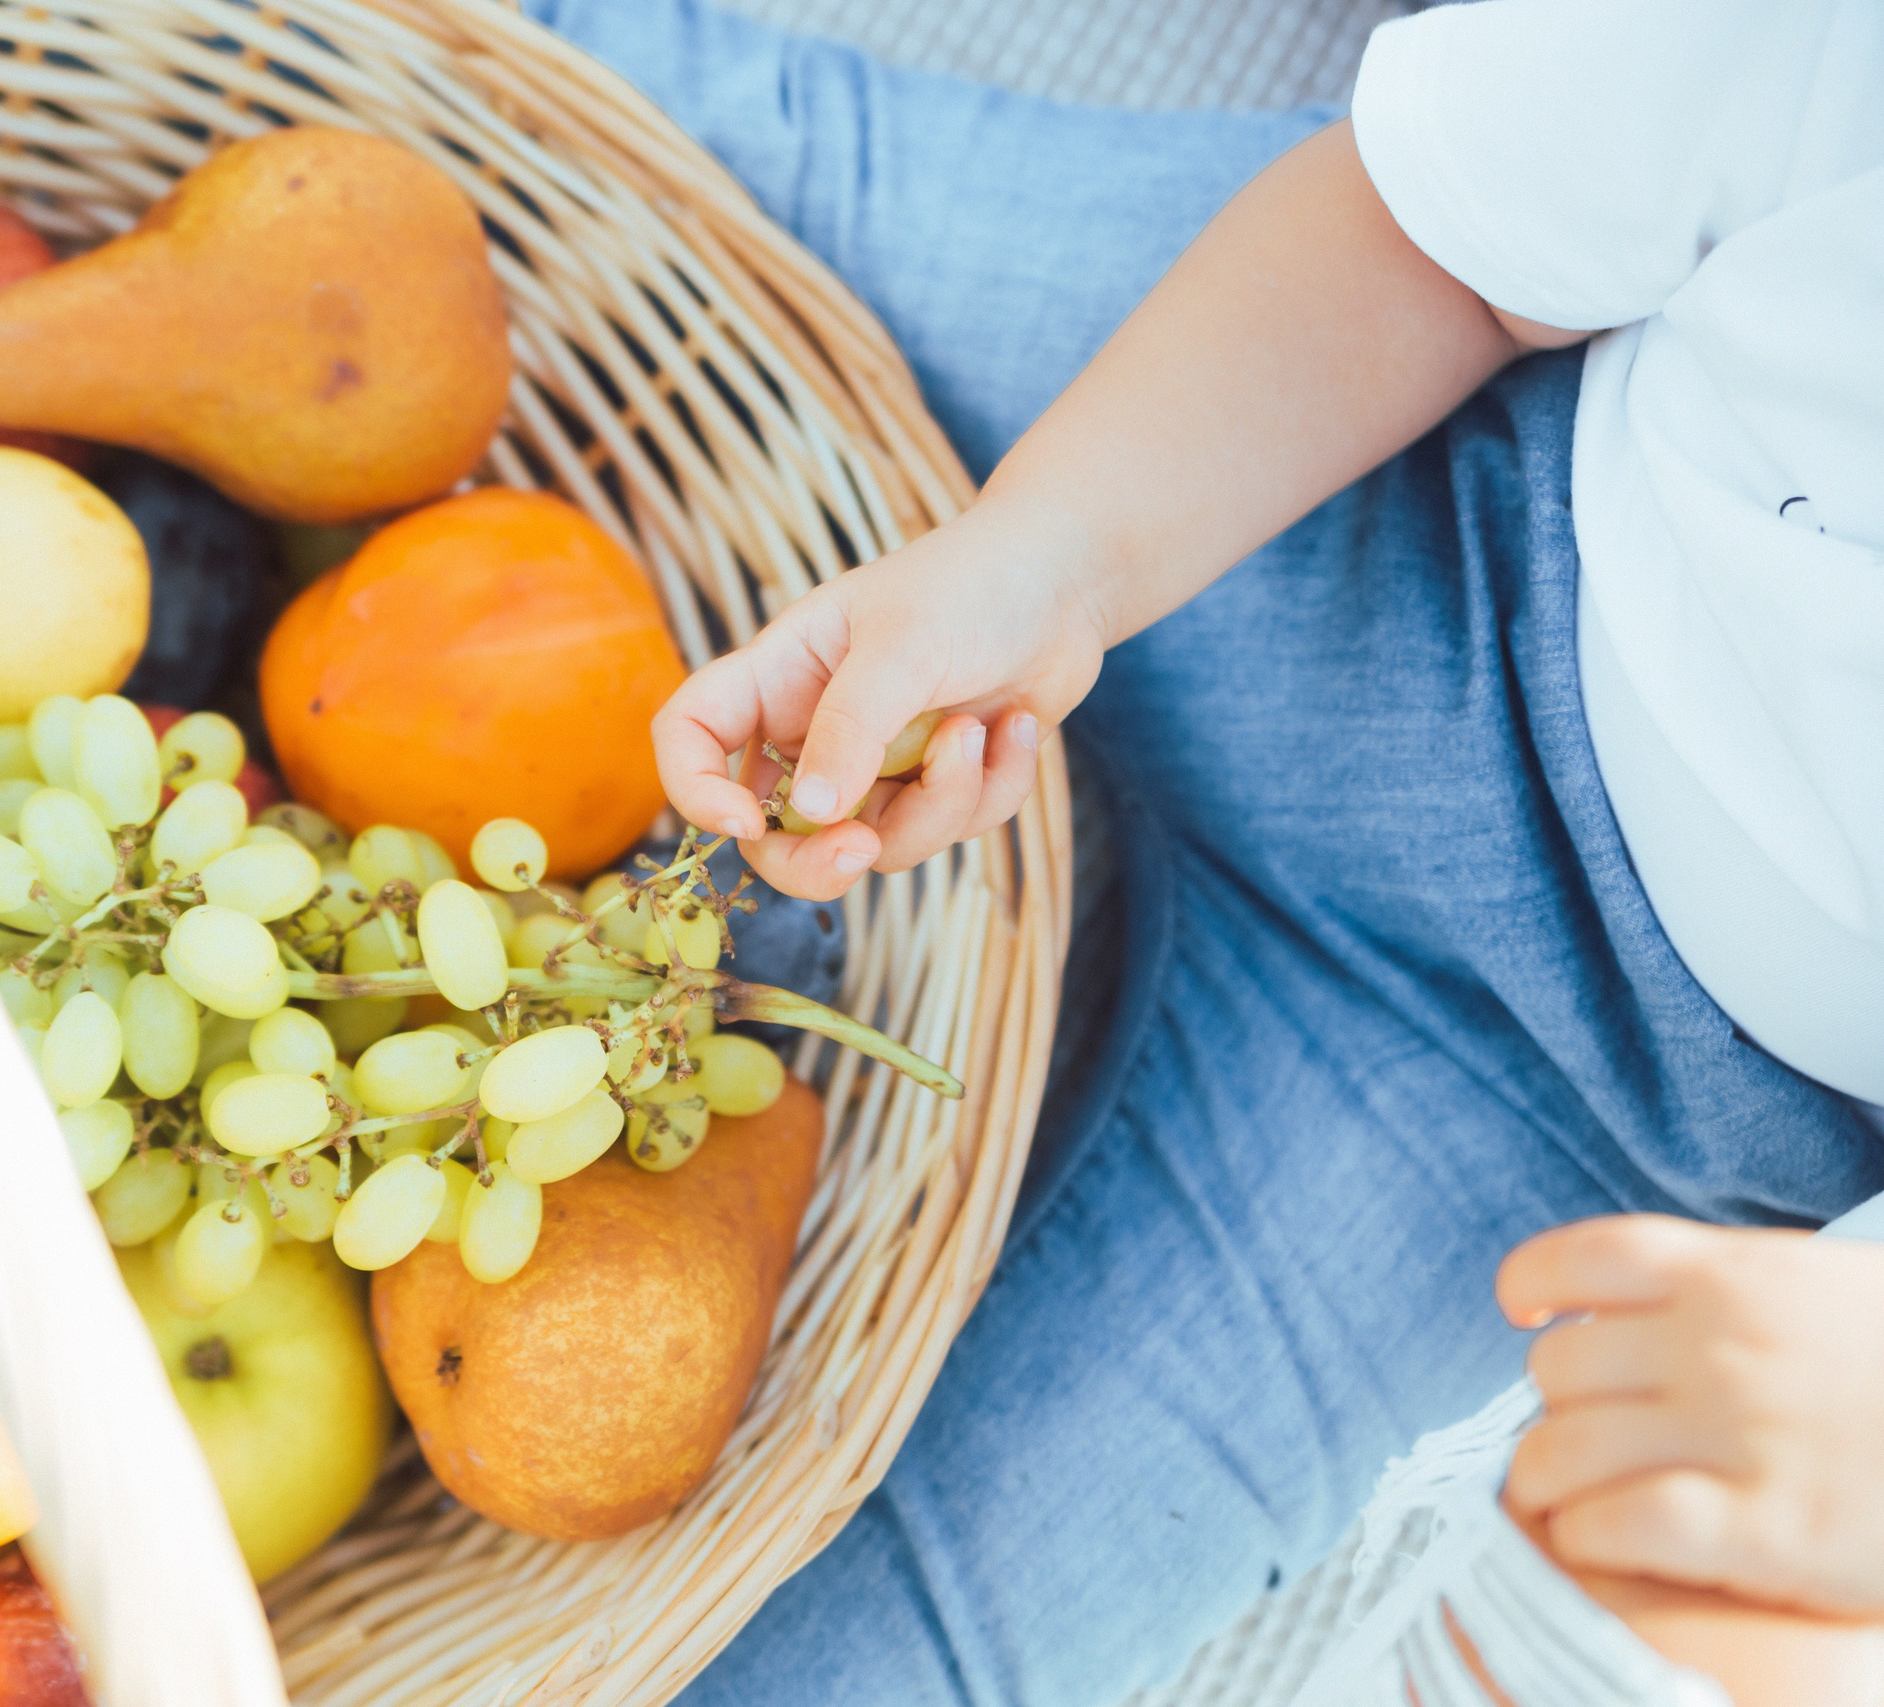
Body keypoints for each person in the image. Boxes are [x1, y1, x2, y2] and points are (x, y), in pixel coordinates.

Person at [517, 0, 1884, 1701]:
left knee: (822, 1663)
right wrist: (1042, 561)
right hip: (1376, 432)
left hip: (1548, 1096)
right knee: (551, 119)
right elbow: (1438, 247)